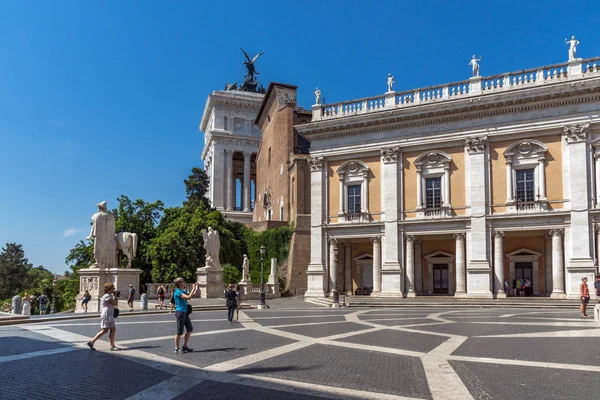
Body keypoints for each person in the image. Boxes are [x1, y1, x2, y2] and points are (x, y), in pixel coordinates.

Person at [87, 283, 120, 351]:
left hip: (107, 313)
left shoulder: (107, 295)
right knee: (112, 330)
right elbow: (115, 303)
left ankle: (92, 342)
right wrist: (116, 296)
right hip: (107, 314)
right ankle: (112, 346)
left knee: (105, 330)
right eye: (112, 288)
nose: (113, 290)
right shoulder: (107, 296)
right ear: (109, 289)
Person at [173, 278, 198, 353]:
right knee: (179, 331)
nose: (184, 283)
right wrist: (193, 288)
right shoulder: (177, 292)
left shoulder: (182, 291)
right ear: (179, 283)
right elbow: (188, 297)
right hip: (180, 312)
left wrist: (195, 289)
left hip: (185, 312)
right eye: (183, 282)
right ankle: (176, 348)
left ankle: (185, 346)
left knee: (190, 329)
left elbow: (192, 295)